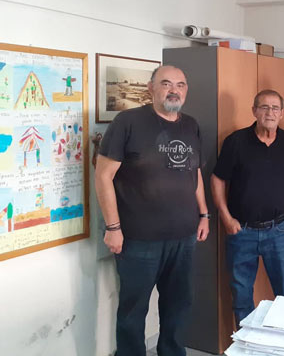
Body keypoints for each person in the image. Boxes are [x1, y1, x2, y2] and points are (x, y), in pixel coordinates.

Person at [95, 65, 210, 356]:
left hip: (184, 236)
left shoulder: (191, 125)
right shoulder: (128, 122)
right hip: (138, 239)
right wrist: (112, 227)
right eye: (166, 84)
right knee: (133, 311)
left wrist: (204, 214)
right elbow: (103, 176)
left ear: (186, 90)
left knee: (178, 306)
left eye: (180, 85)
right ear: (151, 88)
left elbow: (195, 173)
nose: (174, 90)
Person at [212, 90, 284, 325]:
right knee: (242, 296)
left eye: (275, 108)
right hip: (241, 231)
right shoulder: (235, 142)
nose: (269, 113)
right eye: (264, 107)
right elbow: (217, 179)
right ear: (254, 111)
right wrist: (225, 217)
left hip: (280, 230)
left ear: (282, 113)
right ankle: (247, 343)